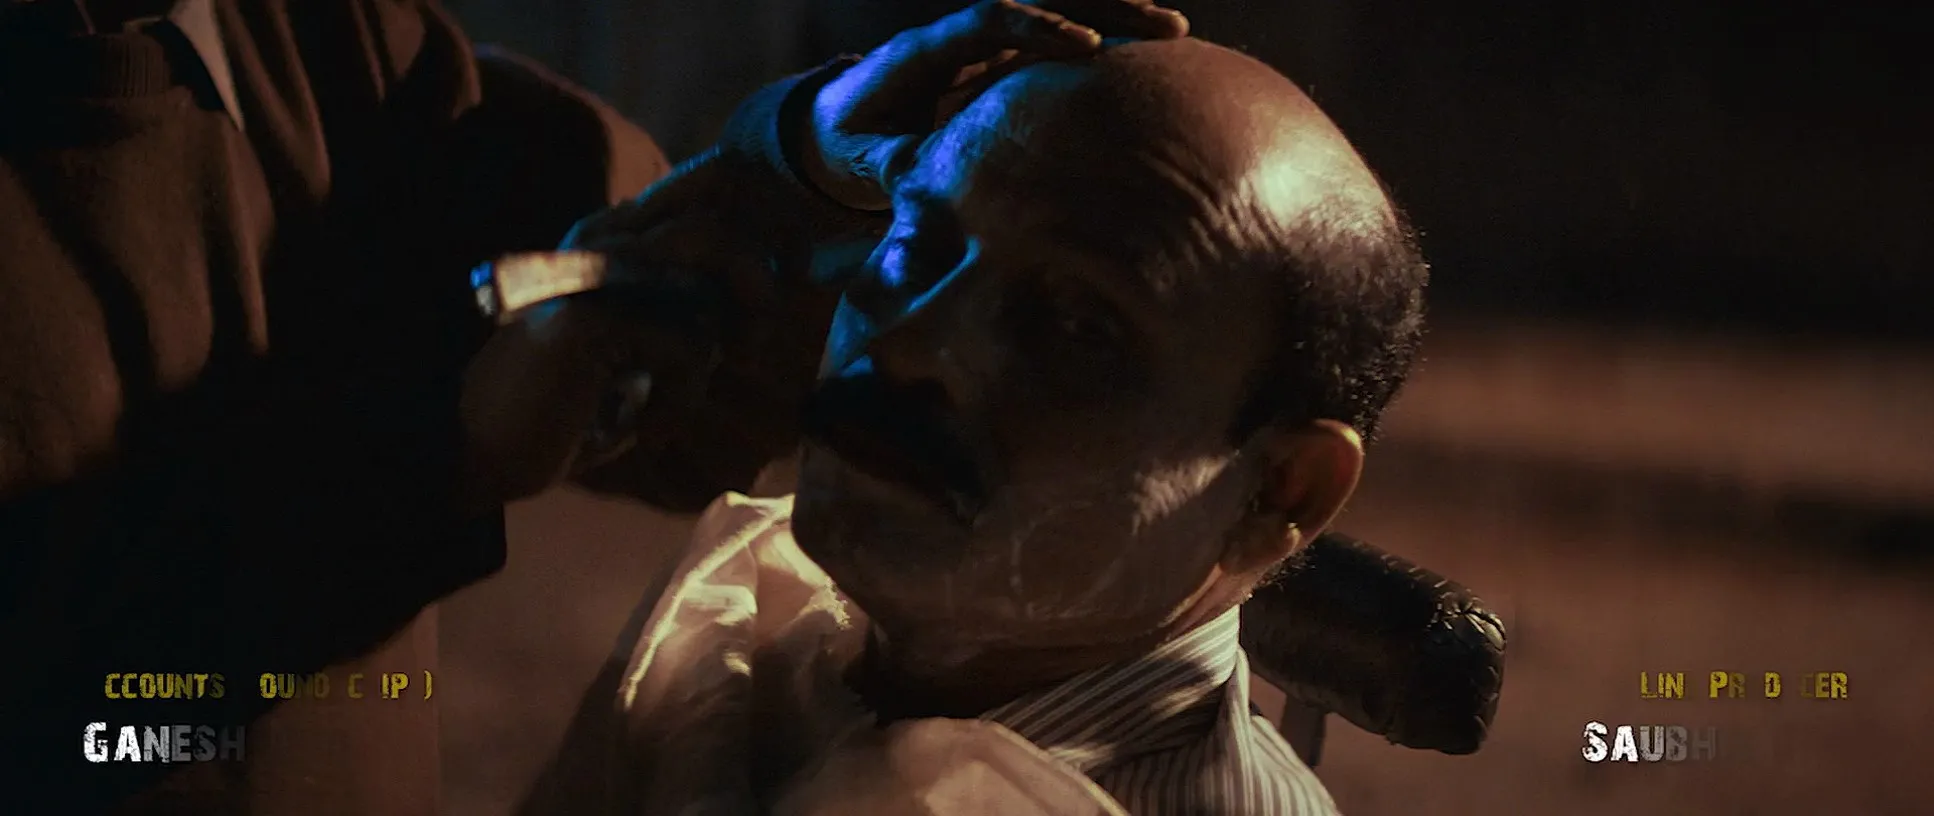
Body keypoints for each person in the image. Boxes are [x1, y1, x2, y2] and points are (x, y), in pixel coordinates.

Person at [486, 2, 1429, 811]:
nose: (907, 342)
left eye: (1072, 328)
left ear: (1282, 491)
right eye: (914, 250)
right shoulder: (749, 623)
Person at [0, 1, 674, 812]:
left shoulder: (307, 29)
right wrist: (446, 454)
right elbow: (55, 689)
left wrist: (772, 175)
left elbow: (563, 189)